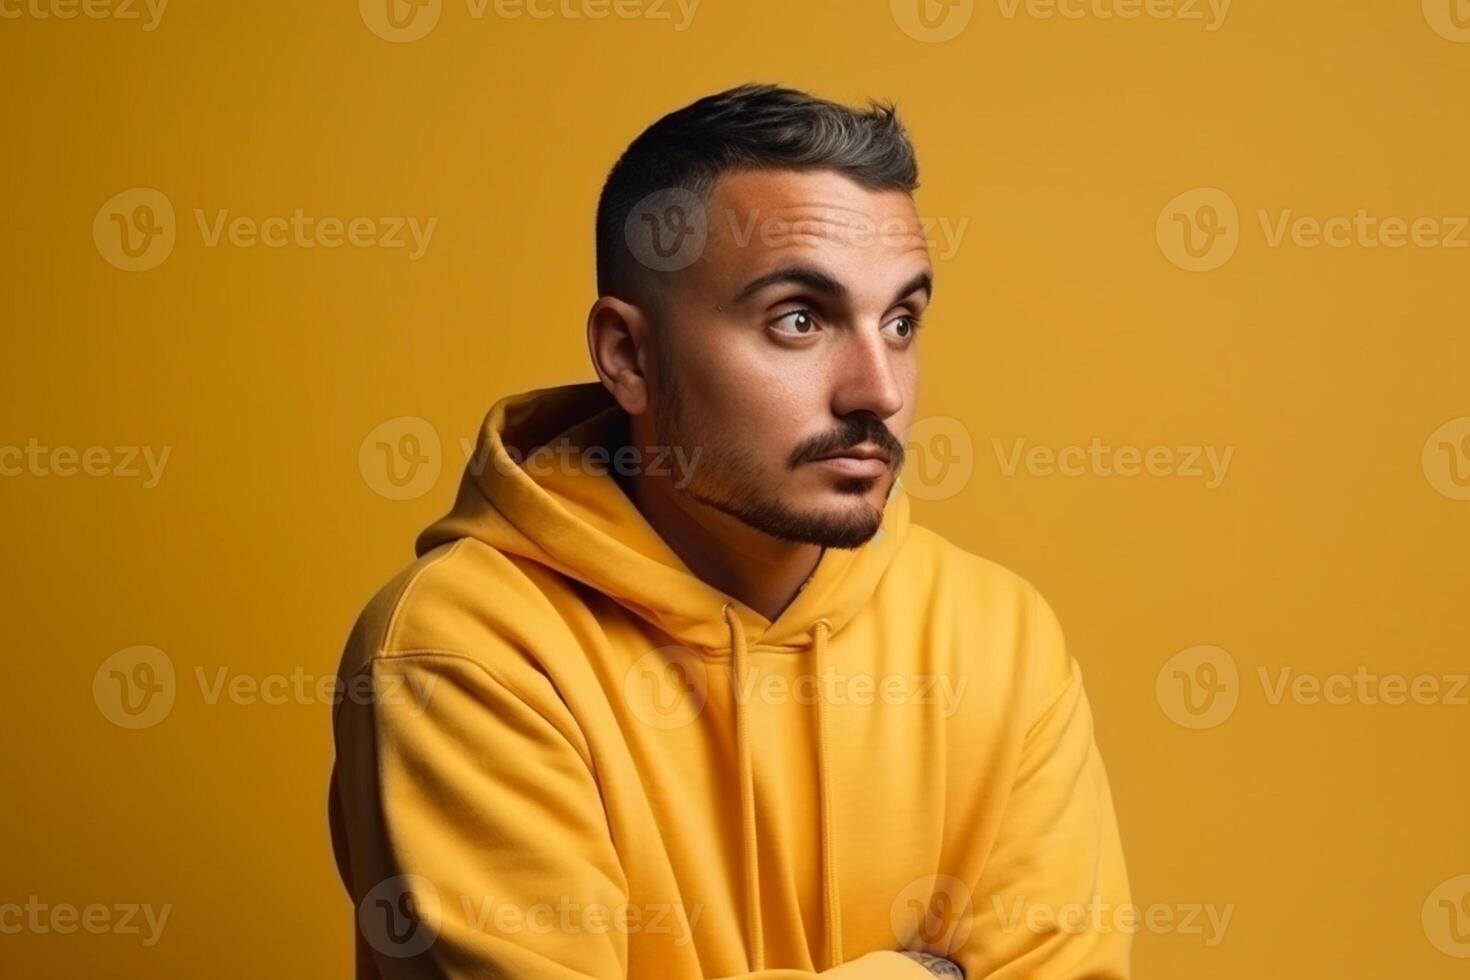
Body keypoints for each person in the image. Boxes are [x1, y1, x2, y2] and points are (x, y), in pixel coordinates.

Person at [329, 83, 1130, 979]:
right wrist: (924, 973)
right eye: (799, 319)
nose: (880, 392)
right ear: (629, 356)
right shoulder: (467, 651)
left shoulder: (1000, 635)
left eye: (901, 321)